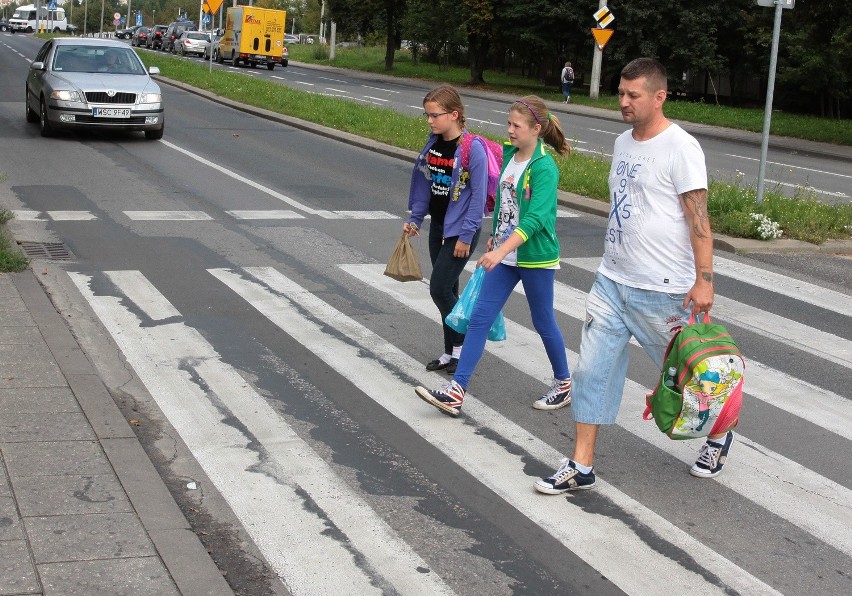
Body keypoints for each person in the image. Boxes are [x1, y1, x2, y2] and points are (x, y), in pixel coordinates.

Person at [534, 58, 723, 495]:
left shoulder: (681, 148)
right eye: (621, 93)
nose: (623, 102)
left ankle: (718, 435)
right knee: (591, 373)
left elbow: (699, 220)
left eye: (632, 95)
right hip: (612, 282)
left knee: (690, 379)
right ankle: (581, 464)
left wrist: (705, 281)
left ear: (659, 97)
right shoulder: (622, 142)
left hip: (664, 292)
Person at [415, 95, 572, 416]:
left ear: (536, 129)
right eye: (509, 124)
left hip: (535, 256)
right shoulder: (511, 155)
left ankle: (564, 382)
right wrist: (495, 238)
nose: (510, 130)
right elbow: (504, 202)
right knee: (479, 320)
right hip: (504, 252)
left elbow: (536, 218)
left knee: (543, 320)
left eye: (516, 125)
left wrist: (502, 247)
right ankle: (457, 391)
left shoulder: (544, 167)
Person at [404, 85, 487, 375]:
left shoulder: (471, 148)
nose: (429, 120)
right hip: (438, 226)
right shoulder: (434, 144)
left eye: (434, 115)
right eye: (426, 115)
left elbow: (477, 198)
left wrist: (466, 236)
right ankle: (450, 352)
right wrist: (416, 218)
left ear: (454, 114)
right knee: (448, 290)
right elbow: (426, 182)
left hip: (460, 231)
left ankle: (466, 348)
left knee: (439, 289)